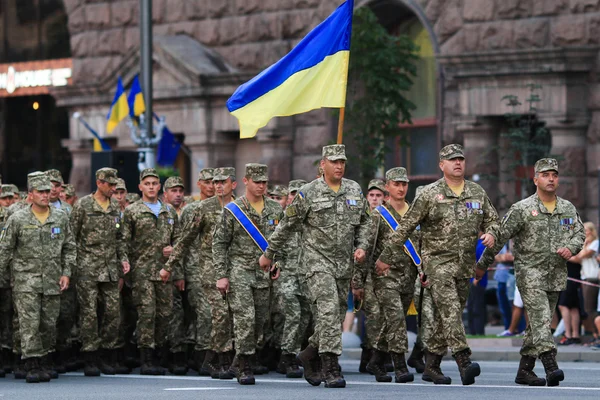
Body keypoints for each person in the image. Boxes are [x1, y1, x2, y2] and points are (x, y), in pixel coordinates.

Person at [376, 144, 498, 386]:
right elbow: (406, 227)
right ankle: (464, 360)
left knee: (446, 318)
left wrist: (492, 233)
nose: (458, 163)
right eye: (452, 159)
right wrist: (385, 257)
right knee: (452, 310)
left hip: (464, 265)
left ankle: (431, 366)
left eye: (461, 159)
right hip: (437, 263)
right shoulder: (430, 193)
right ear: (442, 165)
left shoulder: (476, 191)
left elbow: (493, 220)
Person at [260, 144, 371, 389]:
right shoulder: (308, 192)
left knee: (335, 315)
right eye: (334, 162)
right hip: (316, 263)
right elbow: (287, 225)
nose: (339, 166)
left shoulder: (354, 189)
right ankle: (330, 367)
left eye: (342, 162)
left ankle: (309, 353)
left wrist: (361, 245)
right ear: (323, 164)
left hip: (344, 265)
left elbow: (365, 223)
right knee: (330, 312)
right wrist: (269, 253)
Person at [476, 158, 585, 387]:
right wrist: (482, 265)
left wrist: (571, 248)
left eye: (554, 174)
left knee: (537, 324)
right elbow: (499, 237)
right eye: (546, 175)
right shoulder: (522, 208)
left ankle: (524, 371)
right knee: (542, 319)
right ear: (536, 179)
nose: (551, 178)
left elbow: (579, 234)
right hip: (529, 273)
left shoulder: (567, 207)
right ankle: (551, 365)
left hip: (555, 274)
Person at [0, 171, 75, 383]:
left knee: (48, 323)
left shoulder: (60, 217)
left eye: (46, 191)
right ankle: (31, 364)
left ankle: (44, 360)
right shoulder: (17, 219)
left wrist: (66, 273)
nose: (45, 194)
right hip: (26, 282)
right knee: (29, 323)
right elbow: (5, 250)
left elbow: (70, 248)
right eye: (40, 191)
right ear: (30, 194)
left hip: (52, 280)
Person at [214, 164, 284, 385]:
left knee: (259, 322)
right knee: (245, 319)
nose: (262, 186)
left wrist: (278, 262)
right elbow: (219, 244)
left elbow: (282, 241)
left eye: (264, 182)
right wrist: (221, 275)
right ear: (246, 181)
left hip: (263, 274)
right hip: (239, 272)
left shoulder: (274, 209)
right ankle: (244, 366)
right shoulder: (234, 210)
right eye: (257, 182)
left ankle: (239, 359)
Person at [166, 167, 237, 379]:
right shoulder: (202, 208)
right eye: (214, 182)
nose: (217, 186)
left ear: (233, 184)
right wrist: (170, 266)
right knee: (215, 316)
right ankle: (216, 360)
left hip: (237, 271)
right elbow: (185, 239)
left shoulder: (242, 208)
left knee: (238, 317)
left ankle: (227, 359)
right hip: (209, 272)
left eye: (222, 182)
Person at [353, 167, 418, 383]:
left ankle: (376, 360)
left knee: (387, 323)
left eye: (404, 184)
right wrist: (358, 281)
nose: (401, 188)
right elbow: (366, 247)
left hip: (409, 276)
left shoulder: (415, 212)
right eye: (396, 184)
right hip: (385, 276)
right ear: (387, 187)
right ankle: (400, 366)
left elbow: (422, 244)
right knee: (396, 318)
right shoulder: (380, 215)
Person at [118, 168, 183, 375]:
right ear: (140, 187)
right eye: (147, 184)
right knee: (147, 314)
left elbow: (179, 241)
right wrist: (125, 265)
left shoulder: (169, 211)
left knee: (165, 314)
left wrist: (173, 252)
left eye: (155, 183)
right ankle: (146, 358)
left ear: (159, 186)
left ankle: (159, 355)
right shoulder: (132, 211)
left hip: (165, 272)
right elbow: (123, 242)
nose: (151, 187)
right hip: (142, 272)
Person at [70, 168, 130, 376]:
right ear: (99, 183)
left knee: (113, 312)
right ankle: (90, 356)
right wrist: (74, 265)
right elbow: (72, 237)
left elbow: (120, 236)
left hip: (110, 267)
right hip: (88, 267)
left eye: (115, 185)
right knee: (89, 313)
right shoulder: (83, 205)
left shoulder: (115, 206)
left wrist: (123, 259)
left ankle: (107, 352)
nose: (114, 188)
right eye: (110, 185)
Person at [276, 179, 312, 378]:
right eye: (292, 194)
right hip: (288, 275)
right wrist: (277, 264)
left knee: (305, 317)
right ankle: (287, 357)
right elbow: (274, 245)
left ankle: (298, 354)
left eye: (300, 194)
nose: (295, 198)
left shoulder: (310, 219)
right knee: (294, 315)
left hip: (306, 276)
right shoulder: (283, 219)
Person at [162, 176, 192, 375]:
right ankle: (170, 353)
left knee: (186, 314)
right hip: (165, 271)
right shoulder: (163, 213)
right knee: (170, 314)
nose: (178, 194)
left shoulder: (189, 211)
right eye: (173, 190)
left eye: (180, 190)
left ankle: (185, 353)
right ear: (165, 193)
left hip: (190, 270)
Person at [571, 222, 599, 337]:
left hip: (592, 278)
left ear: (591, 231)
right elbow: (577, 258)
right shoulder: (586, 244)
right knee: (587, 308)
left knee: (590, 308)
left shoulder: (595, 243)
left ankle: (596, 334)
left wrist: (584, 245)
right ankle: (594, 334)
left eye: (586, 230)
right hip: (585, 277)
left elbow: (582, 255)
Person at [494, 242, 516, 336]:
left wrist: (512, 258)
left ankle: (519, 328)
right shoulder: (502, 240)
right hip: (501, 277)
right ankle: (508, 328)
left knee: (516, 305)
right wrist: (502, 257)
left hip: (514, 277)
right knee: (504, 306)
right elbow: (494, 256)